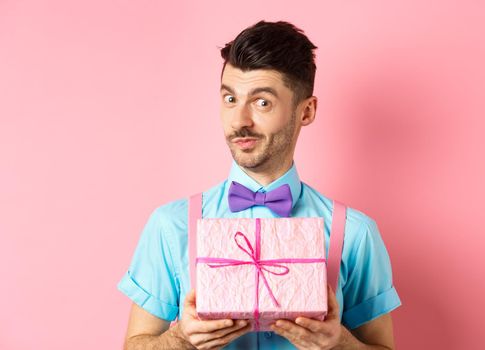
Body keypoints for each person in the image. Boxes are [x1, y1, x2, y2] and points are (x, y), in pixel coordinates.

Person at [118, 20, 402, 350]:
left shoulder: (354, 232)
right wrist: (180, 339)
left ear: (306, 111)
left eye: (262, 102)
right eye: (229, 99)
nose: (239, 120)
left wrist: (339, 343)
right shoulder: (171, 225)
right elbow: (134, 345)